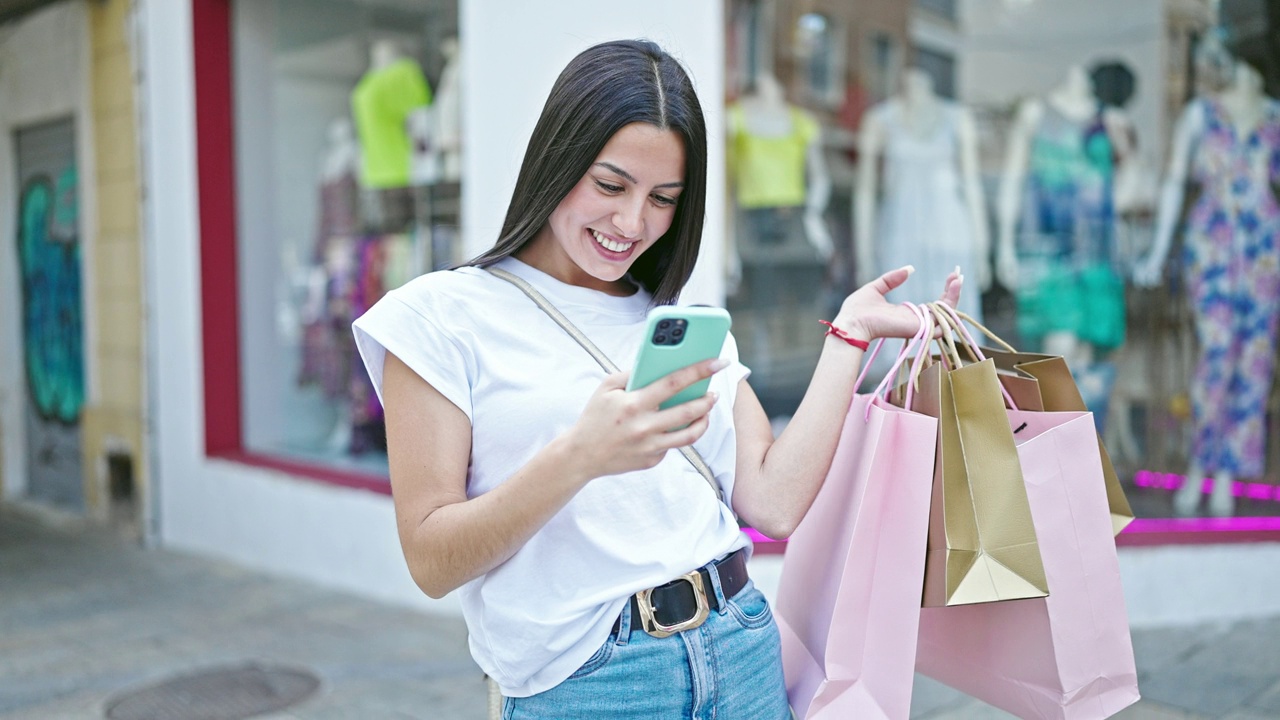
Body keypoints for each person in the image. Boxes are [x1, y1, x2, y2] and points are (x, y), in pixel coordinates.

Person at [352, 39, 962, 718]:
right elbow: (433, 561)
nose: (631, 222)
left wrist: (850, 337)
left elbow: (774, 503)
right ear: (558, 159)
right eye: (610, 185)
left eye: (663, 198)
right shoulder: (440, 316)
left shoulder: (682, 326)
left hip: (742, 651)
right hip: (591, 684)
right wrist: (581, 455)